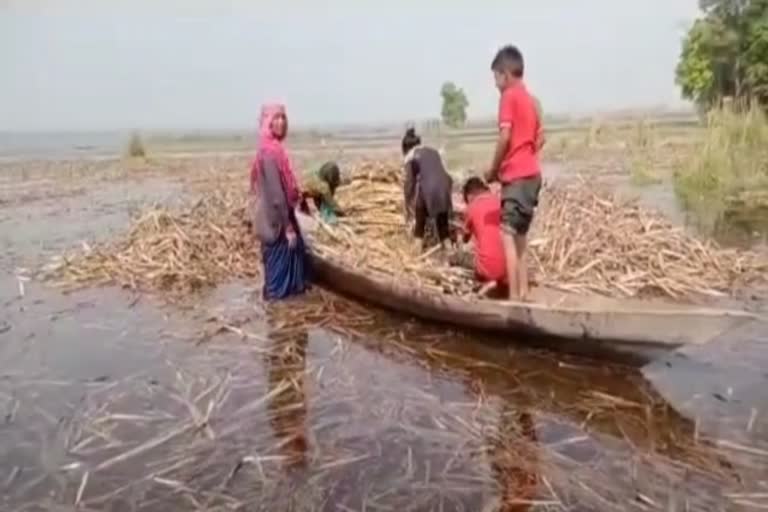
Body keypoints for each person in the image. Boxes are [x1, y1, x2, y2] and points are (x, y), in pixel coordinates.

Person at [484, 45, 544, 301]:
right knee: (520, 236)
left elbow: (505, 136)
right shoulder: (530, 100)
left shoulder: (508, 96)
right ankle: (524, 293)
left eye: (496, 77)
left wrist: (494, 169)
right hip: (533, 176)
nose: (495, 84)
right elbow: (541, 138)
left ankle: (514, 299)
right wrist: (527, 156)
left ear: (505, 74)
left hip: (517, 176)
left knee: (507, 234)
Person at [248, 103, 310, 300]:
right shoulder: (269, 153)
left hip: (278, 219)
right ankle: (279, 318)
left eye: (283, 118)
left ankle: (287, 318)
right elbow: (276, 195)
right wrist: (288, 227)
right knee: (278, 285)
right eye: (276, 118)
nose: (281, 122)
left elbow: (284, 189)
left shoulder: (274, 150)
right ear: (267, 122)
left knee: (289, 273)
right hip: (276, 224)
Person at [401, 127, 454, 249]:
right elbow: (448, 177)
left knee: (419, 226)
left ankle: (415, 256)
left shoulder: (410, 156)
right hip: (444, 189)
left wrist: (407, 202)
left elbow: (410, 182)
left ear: (405, 148)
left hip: (428, 190)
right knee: (443, 228)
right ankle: (451, 254)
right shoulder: (433, 152)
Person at [460, 177, 506, 293]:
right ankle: (499, 281)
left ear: (470, 196)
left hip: (488, 269)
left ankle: (489, 281)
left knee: (456, 257)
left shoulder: (472, 207)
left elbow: (464, 239)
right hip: (509, 268)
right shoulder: (500, 202)